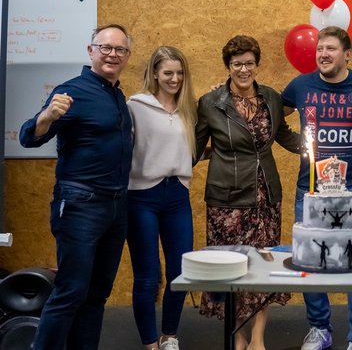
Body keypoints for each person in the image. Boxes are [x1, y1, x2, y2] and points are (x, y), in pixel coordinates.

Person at [19, 24, 133, 350]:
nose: (112, 54)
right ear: (90, 51)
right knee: (71, 291)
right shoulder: (73, 91)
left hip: (116, 206)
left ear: (127, 56)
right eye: (105, 47)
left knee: (97, 295)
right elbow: (29, 136)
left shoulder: (116, 94)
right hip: (81, 204)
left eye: (120, 50)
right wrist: (47, 116)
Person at [281, 26, 352, 350]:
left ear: (347, 54)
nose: (323, 55)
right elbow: (270, 115)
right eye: (319, 50)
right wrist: (299, 145)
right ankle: (319, 328)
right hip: (310, 187)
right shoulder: (301, 85)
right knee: (310, 259)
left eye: (330, 49)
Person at [195, 35, 300, 350]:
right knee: (233, 269)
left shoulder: (272, 98)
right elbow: (195, 148)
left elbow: (285, 136)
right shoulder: (210, 102)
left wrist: (318, 147)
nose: (243, 69)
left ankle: (257, 338)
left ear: (257, 64)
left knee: (263, 268)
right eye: (237, 63)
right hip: (226, 200)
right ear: (228, 66)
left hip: (266, 197)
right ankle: (238, 337)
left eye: (249, 63)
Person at [126, 46, 197, 350]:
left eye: (179, 73)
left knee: (180, 273)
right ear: (154, 73)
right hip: (141, 196)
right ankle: (149, 343)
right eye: (168, 72)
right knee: (147, 275)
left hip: (177, 195)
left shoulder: (187, 108)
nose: (174, 78)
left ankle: (169, 335)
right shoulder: (135, 106)